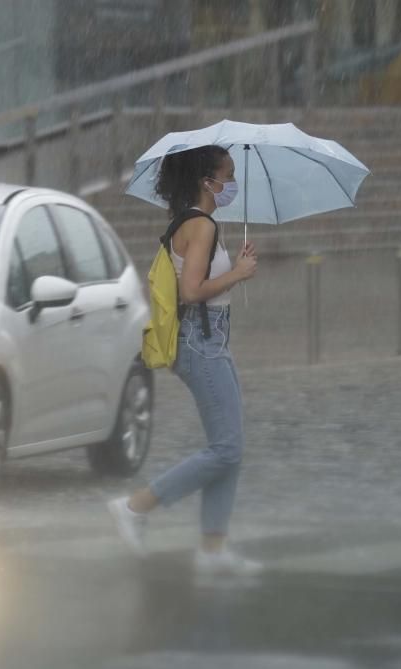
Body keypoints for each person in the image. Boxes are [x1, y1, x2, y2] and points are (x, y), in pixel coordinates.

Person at [108, 144, 262, 575]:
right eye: (227, 176)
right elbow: (191, 290)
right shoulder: (201, 225)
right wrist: (238, 274)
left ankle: (212, 551)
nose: (232, 184)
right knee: (227, 447)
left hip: (211, 339)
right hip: (200, 341)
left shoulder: (196, 223)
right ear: (206, 180)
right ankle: (135, 507)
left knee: (231, 447)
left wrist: (236, 268)